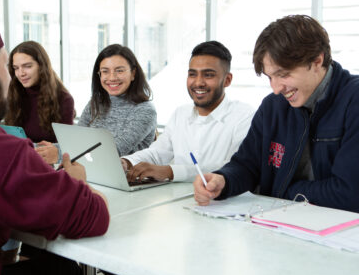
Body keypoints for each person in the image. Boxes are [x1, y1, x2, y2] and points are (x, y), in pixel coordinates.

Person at [0, 15, 110, 275]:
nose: (15, 74)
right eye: (8, 66)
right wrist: (78, 182)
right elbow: (93, 215)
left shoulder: (61, 100)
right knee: (61, 271)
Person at [194, 15, 359, 213]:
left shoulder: (353, 100)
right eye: (270, 77)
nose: (276, 88)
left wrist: (283, 192)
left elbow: (350, 193)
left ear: (317, 60)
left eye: (283, 74)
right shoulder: (273, 107)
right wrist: (224, 180)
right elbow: (247, 164)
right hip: (282, 223)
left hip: (341, 234)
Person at [122, 41, 254, 183]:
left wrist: (170, 171)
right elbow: (157, 153)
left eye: (208, 75)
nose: (198, 82)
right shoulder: (181, 114)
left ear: (227, 80)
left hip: (224, 202)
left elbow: (234, 167)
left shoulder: (244, 116)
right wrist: (127, 162)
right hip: (177, 199)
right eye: (192, 74)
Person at [45, 43, 157, 163]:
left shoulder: (145, 110)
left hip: (125, 178)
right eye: (105, 71)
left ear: (133, 74)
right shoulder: (96, 103)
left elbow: (113, 151)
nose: (112, 77)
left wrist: (59, 154)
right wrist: (48, 149)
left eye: (119, 70)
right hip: (91, 173)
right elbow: (77, 141)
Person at [4, 40, 75, 165]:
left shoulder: (64, 100)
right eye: (16, 68)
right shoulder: (14, 94)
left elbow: (67, 147)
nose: (21, 73)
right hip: (18, 161)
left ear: (41, 66)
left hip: (47, 166)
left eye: (27, 66)